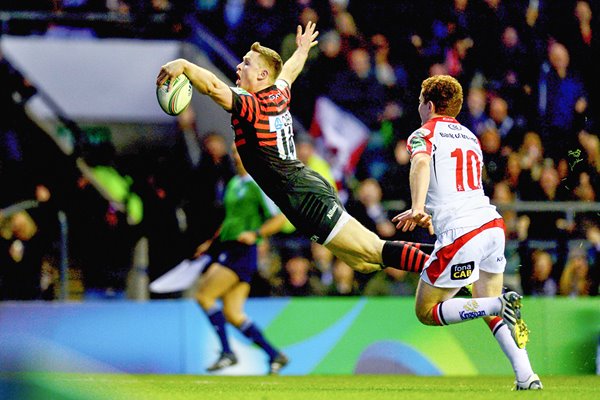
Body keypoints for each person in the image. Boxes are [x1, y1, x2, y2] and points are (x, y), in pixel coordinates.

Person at [156, 21, 429, 278]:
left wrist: (184, 65)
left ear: (263, 75)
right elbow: (288, 71)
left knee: (372, 249)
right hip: (302, 192)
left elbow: (213, 86)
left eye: (246, 63)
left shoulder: (251, 105)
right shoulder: (277, 93)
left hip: (302, 195)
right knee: (362, 262)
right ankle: (446, 263)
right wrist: (300, 51)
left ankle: (448, 264)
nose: (239, 67)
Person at [393, 75, 542, 390]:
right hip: (491, 225)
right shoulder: (470, 137)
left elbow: (420, 165)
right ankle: (527, 376)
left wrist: (418, 206)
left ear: (429, 105)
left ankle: (496, 304)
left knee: (427, 311)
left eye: (421, 101)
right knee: (486, 298)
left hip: (462, 233)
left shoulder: (422, 133)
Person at [194, 145, 289, 375]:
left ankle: (227, 352)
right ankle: (275, 354)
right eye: (234, 152)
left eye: (240, 151)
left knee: (204, 295)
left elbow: (279, 218)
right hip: (228, 247)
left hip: (242, 251)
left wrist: (256, 235)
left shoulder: (259, 184)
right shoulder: (235, 183)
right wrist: (212, 243)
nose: (235, 155)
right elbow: (230, 220)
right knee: (233, 314)